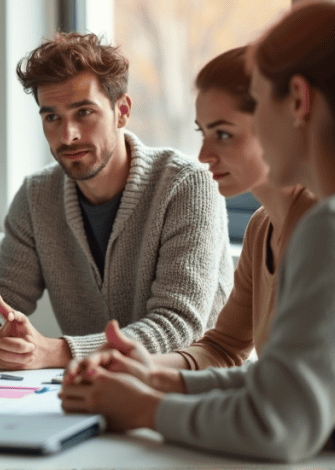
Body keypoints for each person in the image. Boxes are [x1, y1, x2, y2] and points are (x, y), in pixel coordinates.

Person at [60, 0, 335, 463]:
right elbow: (277, 375)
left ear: (298, 100)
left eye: (256, 104)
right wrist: (158, 377)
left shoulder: (333, 227)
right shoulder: (280, 226)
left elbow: (279, 424)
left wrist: (145, 409)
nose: (204, 155)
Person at [0, 32, 232, 371]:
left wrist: (57, 352)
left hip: (195, 391)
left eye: (84, 112)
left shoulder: (186, 185)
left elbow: (177, 324)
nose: (67, 134)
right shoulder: (37, 195)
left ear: (122, 112)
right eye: (52, 117)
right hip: (100, 389)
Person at [109, 47, 316, 378]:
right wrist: (144, 365)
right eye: (202, 133)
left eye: (223, 134)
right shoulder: (262, 227)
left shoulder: (326, 229)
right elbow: (223, 347)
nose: (204, 154)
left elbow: (289, 381)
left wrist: (157, 394)